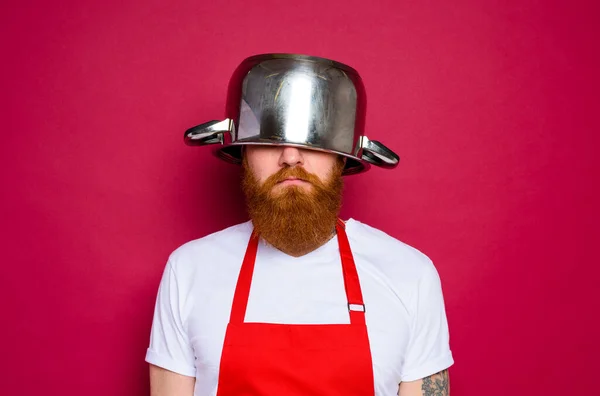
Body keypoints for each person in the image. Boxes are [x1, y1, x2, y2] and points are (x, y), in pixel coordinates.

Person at [146, 54, 453, 396]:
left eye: (314, 141)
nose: (291, 157)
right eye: (269, 140)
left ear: (344, 158)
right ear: (241, 152)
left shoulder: (409, 273)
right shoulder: (189, 269)